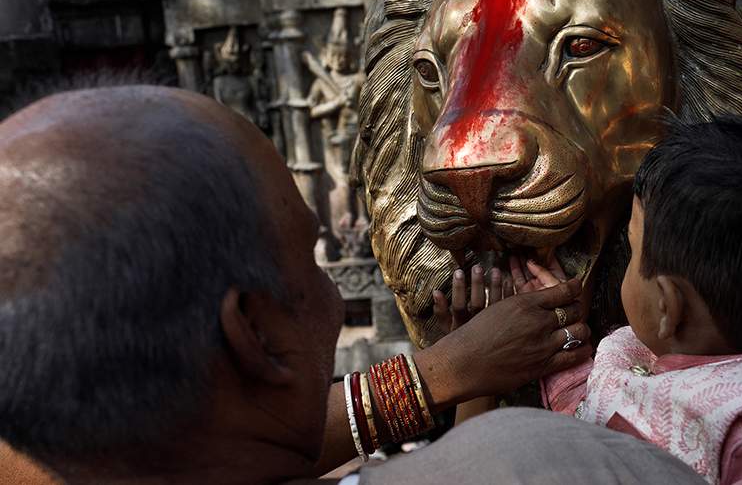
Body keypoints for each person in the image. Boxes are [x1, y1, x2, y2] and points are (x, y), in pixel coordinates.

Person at [0, 86, 706, 485]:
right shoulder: (545, 470)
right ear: (254, 332)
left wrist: (458, 374)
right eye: (309, 259)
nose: (333, 293)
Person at [535, 118, 742, 484]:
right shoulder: (653, 357)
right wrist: (558, 336)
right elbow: (594, 411)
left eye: (631, 250)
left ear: (668, 306)